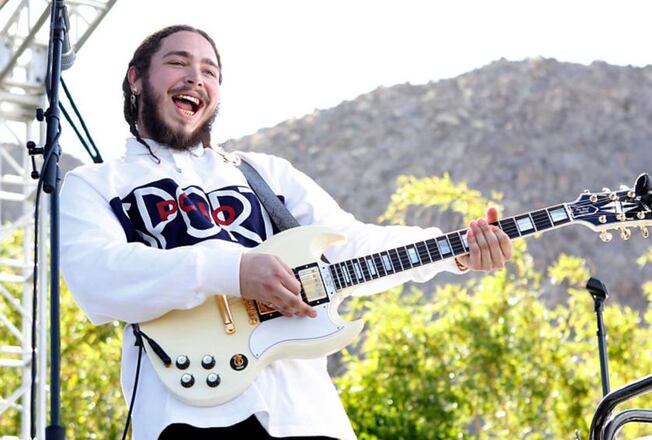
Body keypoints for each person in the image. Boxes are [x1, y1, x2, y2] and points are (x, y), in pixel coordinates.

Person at [60, 24, 512, 440]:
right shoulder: (96, 184)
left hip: (304, 414)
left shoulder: (265, 173)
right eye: (178, 63)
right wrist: (234, 271)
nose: (196, 78)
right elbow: (98, 278)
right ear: (136, 79)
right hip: (186, 413)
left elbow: (349, 245)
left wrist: (452, 250)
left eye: (210, 71)